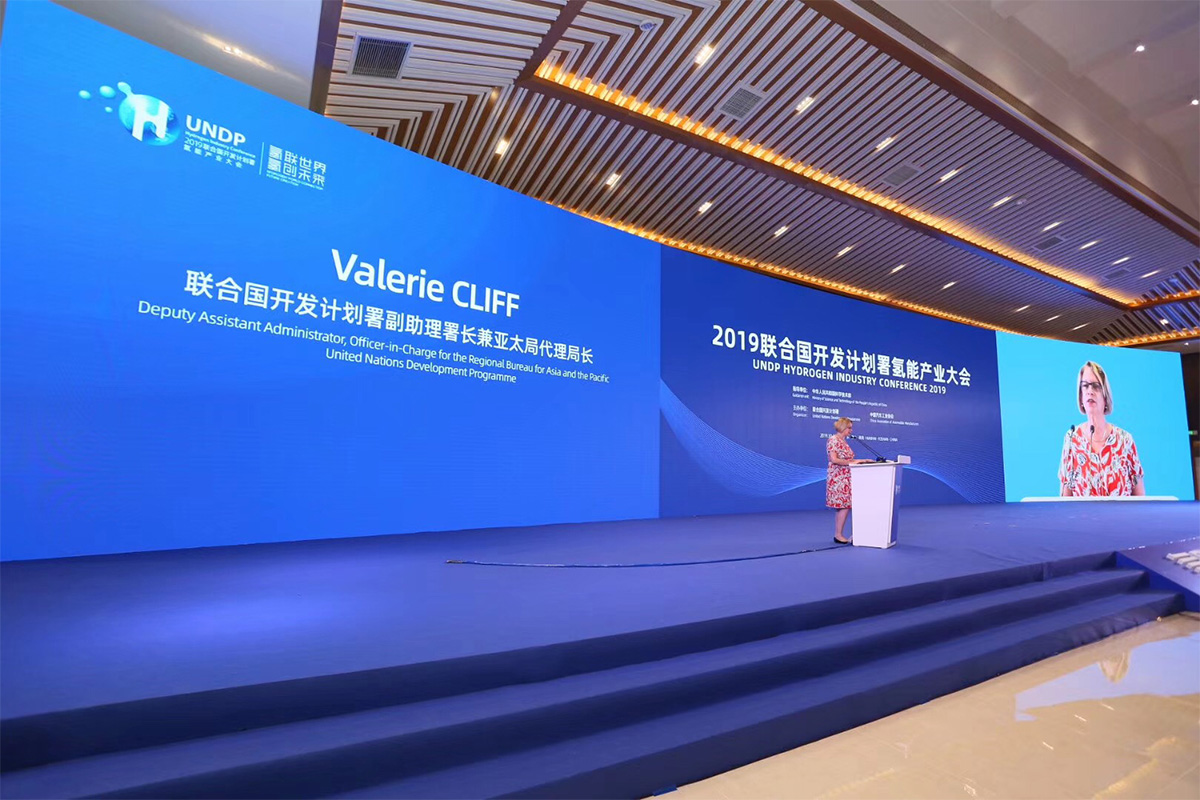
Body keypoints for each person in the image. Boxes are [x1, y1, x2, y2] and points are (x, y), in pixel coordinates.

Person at [1059, 361, 1145, 497]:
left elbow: (1141, 500)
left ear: (1105, 395)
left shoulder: (1125, 440)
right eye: (1085, 386)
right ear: (1080, 396)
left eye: (1096, 386)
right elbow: (1064, 501)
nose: (1090, 391)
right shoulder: (1072, 439)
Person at [827, 417, 871, 543]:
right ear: (842, 427)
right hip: (839, 477)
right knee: (844, 506)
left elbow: (848, 459)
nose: (851, 430)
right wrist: (853, 462)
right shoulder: (833, 440)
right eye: (849, 428)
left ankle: (839, 534)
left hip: (847, 476)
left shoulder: (844, 441)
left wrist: (862, 460)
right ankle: (838, 535)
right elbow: (834, 459)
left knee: (846, 505)